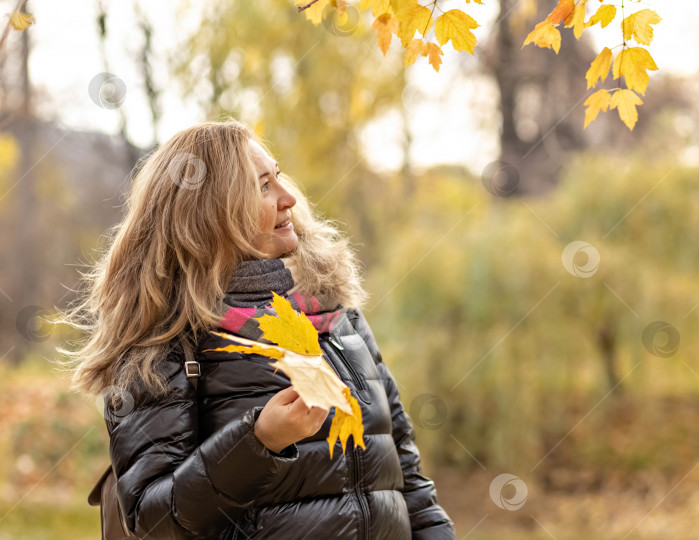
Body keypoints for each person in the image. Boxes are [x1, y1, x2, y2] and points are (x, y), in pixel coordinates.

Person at [55, 119, 456, 539]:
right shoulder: (163, 344)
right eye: (262, 186)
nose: (288, 199)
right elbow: (153, 520)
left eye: (277, 178)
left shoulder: (336, 317)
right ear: (211, 213)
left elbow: (407, 480)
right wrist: (258, 442)